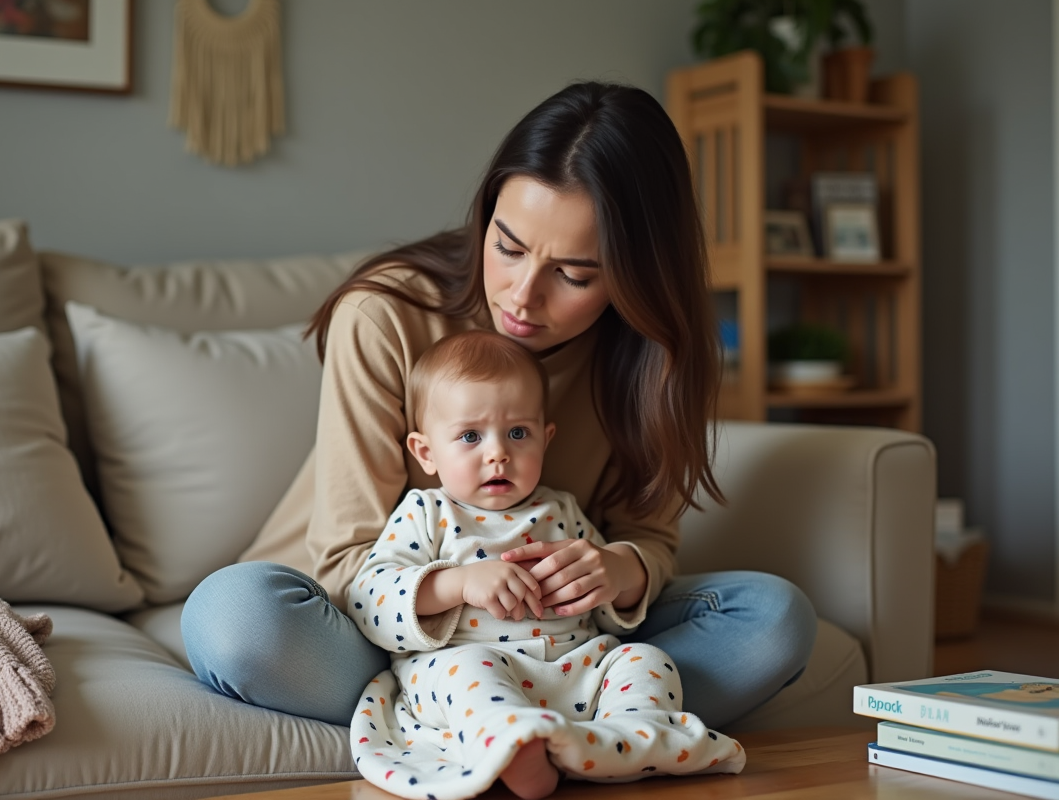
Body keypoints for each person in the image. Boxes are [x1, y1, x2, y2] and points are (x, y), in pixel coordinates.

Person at [181, 80, 817, 733]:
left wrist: (616, 569)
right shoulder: (385, 315)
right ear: (485, 215)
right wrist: (461, 590)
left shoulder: (654, 357)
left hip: (557, 648)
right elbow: (349, 564)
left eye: (573, 274)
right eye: (508, 247)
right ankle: (527, 722)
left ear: (638, 273)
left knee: (775, 617)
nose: (521, 295)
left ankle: (521, 731)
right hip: (365, 625)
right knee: (231, 617)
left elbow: (649, 542)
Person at [348, 329, 745, 800]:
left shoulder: (562, 511)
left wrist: (607, 578)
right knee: (469, 669)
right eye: (470, 436)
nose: (498, 452)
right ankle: (516, 742)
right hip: (472, 668)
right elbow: (368, 599)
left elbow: (605, 613)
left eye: (518, 433)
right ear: (426, 452)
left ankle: (623, 737)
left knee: (644, 658)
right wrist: (458, 583)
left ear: (545, 438)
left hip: (575, 669)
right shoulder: (426, 513)